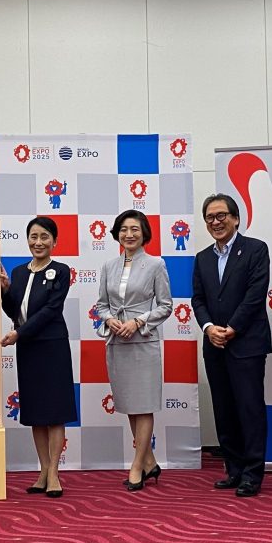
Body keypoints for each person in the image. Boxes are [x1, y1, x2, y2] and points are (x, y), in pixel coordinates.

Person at [192, 193, 271, 498]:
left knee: (249, 408)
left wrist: (232, 328)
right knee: (224, 409)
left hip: (247, 342)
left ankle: (252, 473)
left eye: (221, 215)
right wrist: (210, 327)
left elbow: (255, 294)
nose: (216, 222)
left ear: (236, 218)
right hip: (214, 344)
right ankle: (234, 469)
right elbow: (198, 299)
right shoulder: (202, 258)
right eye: (210, 217)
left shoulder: (255, 249)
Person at [0, 216, 77, 498]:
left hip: (51, 345)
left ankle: (55, 472)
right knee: (35, 412)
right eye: (33, 236)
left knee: (54, 412)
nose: (38, 242)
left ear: (54, 241)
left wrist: (19, 334)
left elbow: (50, 311)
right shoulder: (19, 272)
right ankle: (43, 470)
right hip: (28, 349)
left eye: (44, 236)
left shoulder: (61, 270)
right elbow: (14, 311)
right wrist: (4, 290)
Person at [95, 210, 173, 491]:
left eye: (135, 230)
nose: (129, 234)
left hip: (143, 340)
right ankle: (150, 462)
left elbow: (166, 305)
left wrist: (139, 321)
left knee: (145, 405)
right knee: (129, 405)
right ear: (117, 233)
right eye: (124, 229)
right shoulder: (108, 266)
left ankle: (137, 465)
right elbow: (101, 305)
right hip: (117, 341)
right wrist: (111, 320)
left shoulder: (155, 264)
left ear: (144, 234)